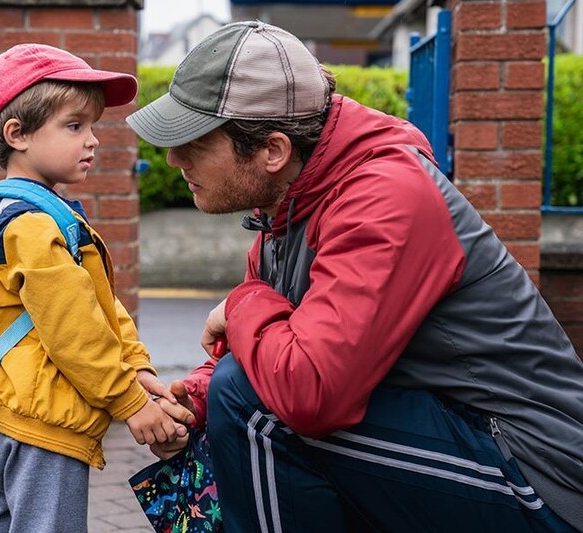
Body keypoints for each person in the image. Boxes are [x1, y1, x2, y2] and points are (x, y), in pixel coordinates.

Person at [127, 21, 583, 532]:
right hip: (455, 441)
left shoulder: (385, 197)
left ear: (272, 150)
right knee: (233, 393)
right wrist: (198, 396)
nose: (173, 158)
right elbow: (279, 347)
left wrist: (240, 304)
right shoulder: (289, 206)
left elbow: (312, 393)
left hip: (538, 479)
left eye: (194, 141)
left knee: (256, 405)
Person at [0, 43, 191, 532]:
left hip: (20, 412)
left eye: (93, 127)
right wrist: (130, 403)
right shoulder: (32, 226)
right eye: (74, 126)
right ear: (17, 134)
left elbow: (100, 308)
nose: (92, 141)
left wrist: (138, 369)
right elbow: (76, 332)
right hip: (48, 425)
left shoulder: (24, 213)